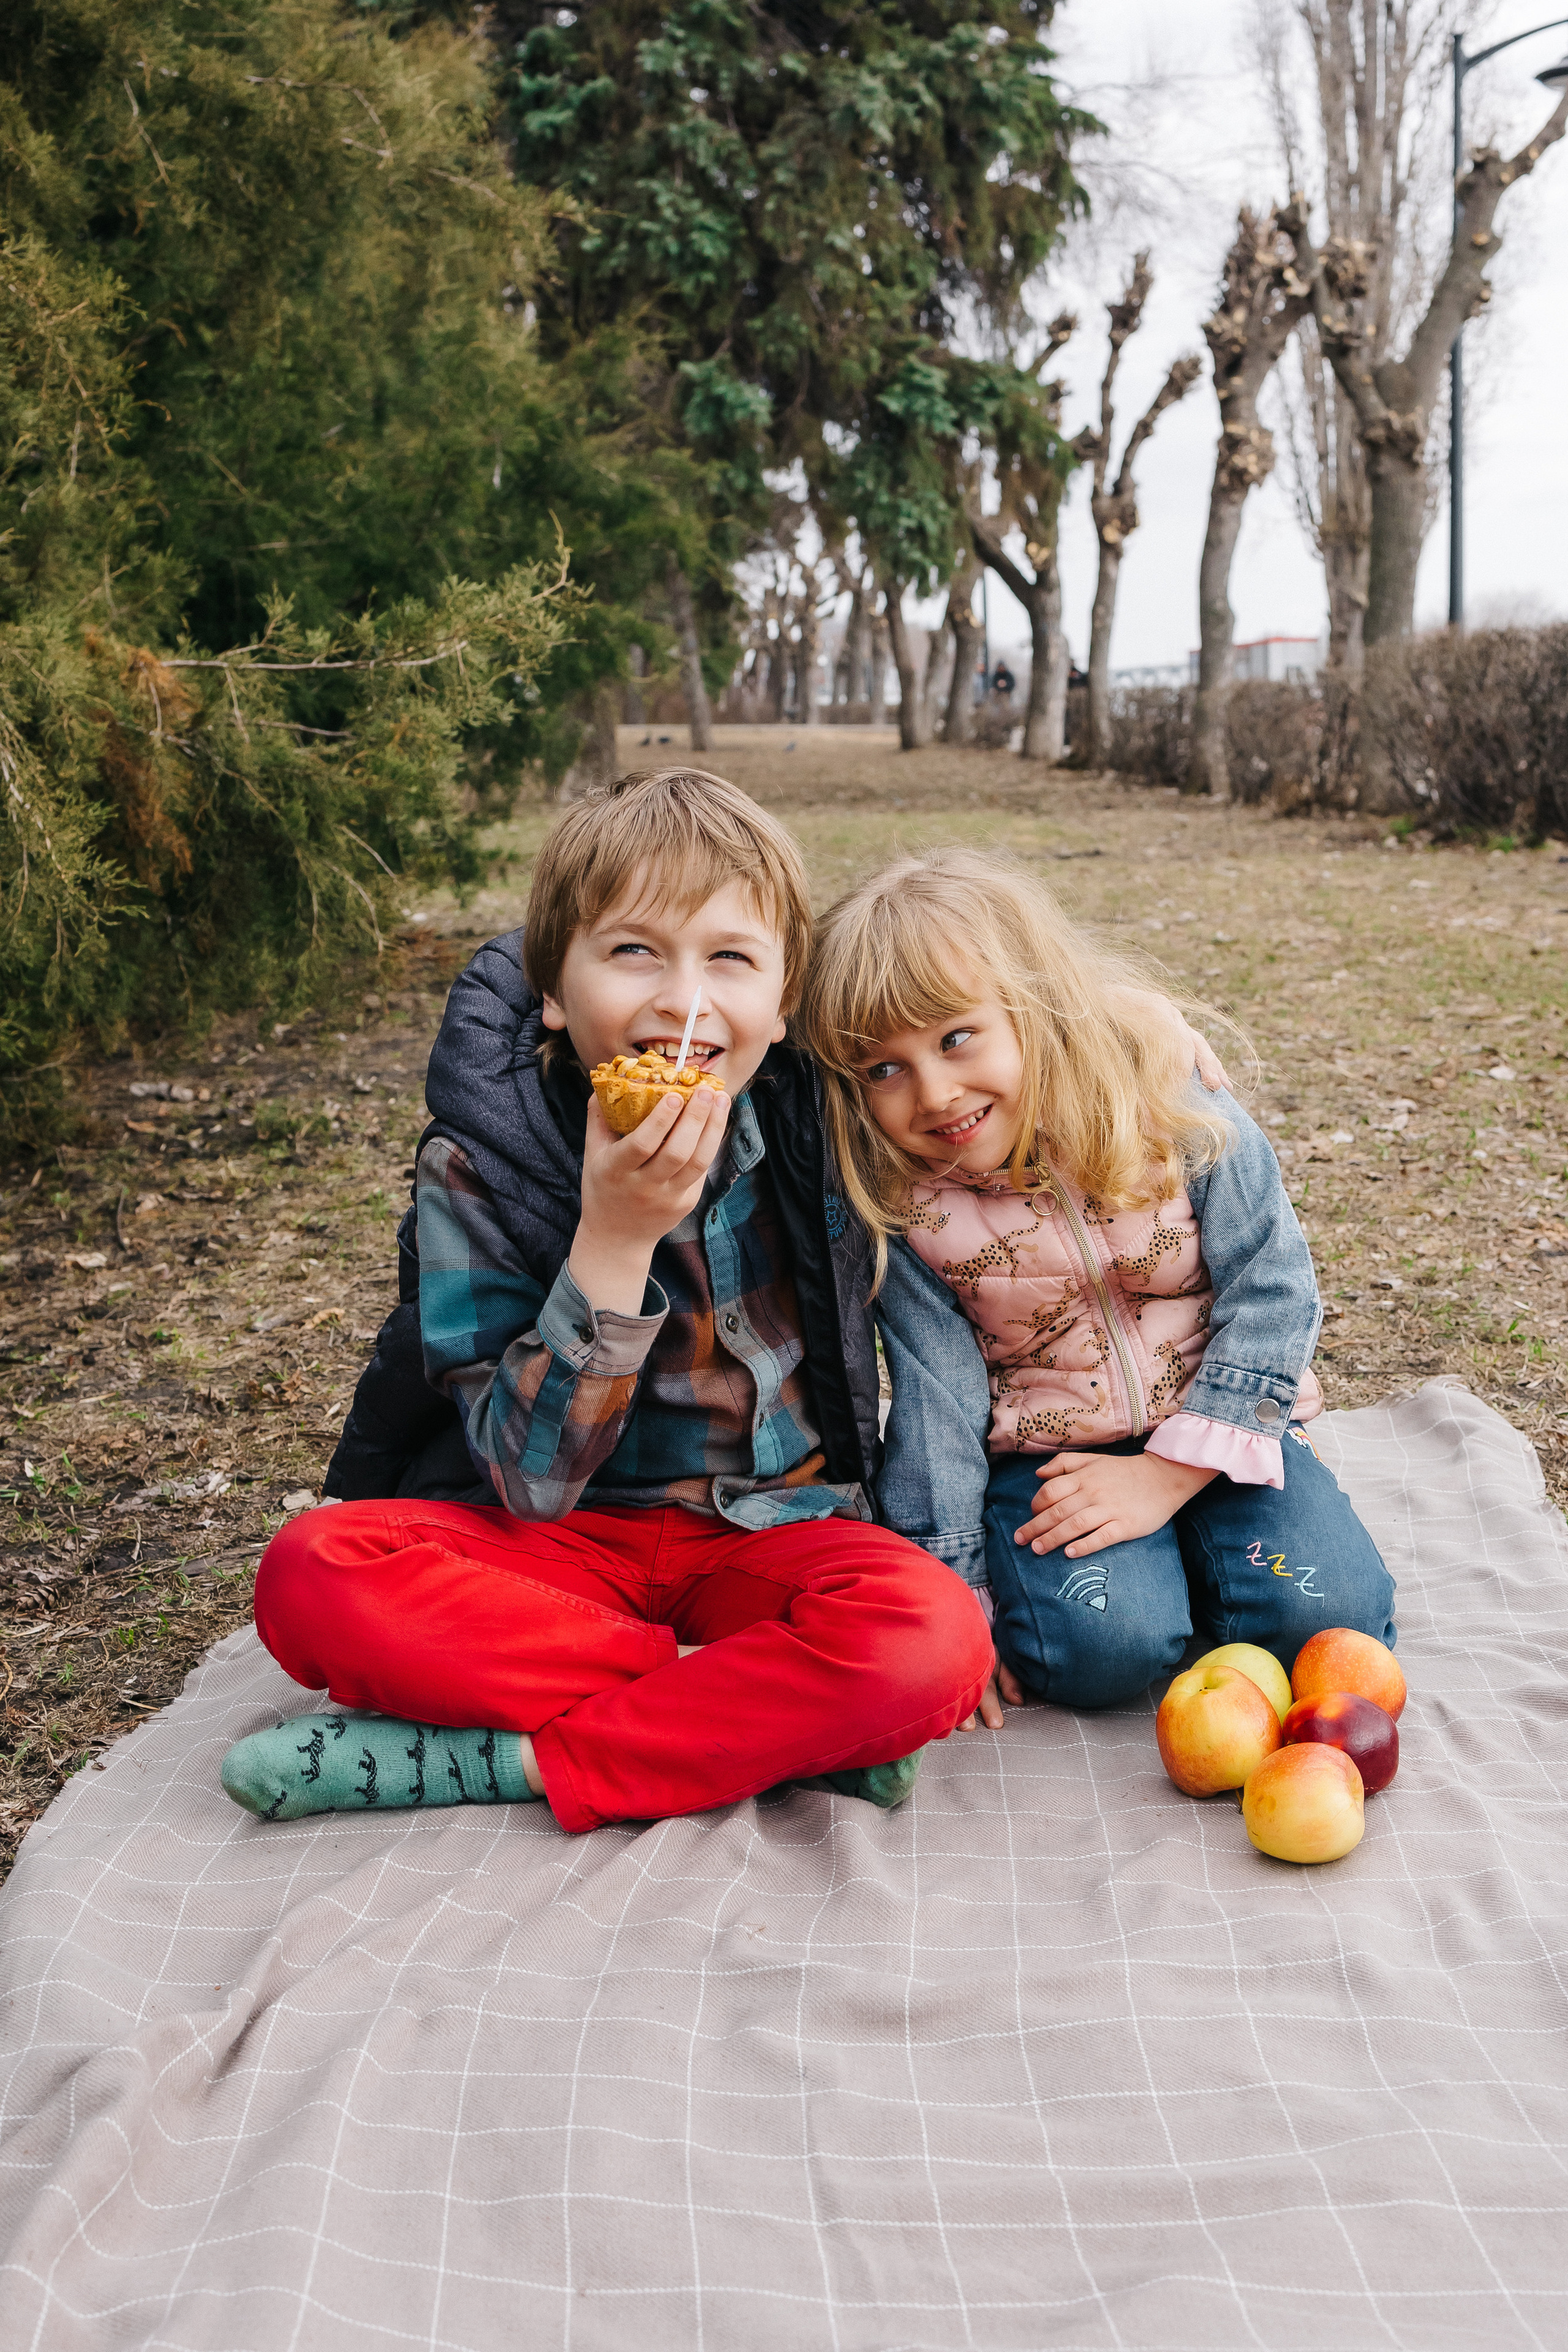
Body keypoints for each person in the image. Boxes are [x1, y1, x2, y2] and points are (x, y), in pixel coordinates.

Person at [219, 776, 1225, 1834]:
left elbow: (945, 1011)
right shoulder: (480, 1164)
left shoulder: (817, 1105)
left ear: (783, 1006)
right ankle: (759, 1712)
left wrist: (1118, 1018)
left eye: (729, 959)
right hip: (558, 1553)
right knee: (311, 1577)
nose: (682, 1000)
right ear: (552, 990)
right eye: (633, 951)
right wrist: (614, 1240)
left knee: (933, 1638)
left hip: (776, 1530)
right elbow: (530, 1482)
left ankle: (513, 1760)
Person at [796, 847, 1395, 1716]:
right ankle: (1159, 1582)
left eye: (956, 1037)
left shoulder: (1165, 1100)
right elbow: (936, 1399)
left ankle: (1209, 1553)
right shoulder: (903, 1201)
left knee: (1328, 1620)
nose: (935, 1093)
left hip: (1223, 1428)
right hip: (1054, 1456)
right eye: (884, 1069)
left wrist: (1168, 1477)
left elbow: (1275, 1288)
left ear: (1033, 1003)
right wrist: (954, 1590)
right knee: (1097, 1651)